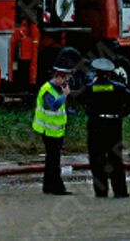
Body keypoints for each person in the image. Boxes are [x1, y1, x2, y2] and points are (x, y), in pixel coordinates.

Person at [82, 58, 130, 198]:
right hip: (113, 125)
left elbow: (80, 100)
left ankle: (101, 191)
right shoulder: (118, 87)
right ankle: (120, 191)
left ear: (97, 73)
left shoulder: (90, 88)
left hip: (96, 126)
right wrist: (122, 114)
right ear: (110, 74)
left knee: (97, 159)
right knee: (115, 159)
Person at [32, 63, 72, 195]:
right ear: (58, 77)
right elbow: (53, 106)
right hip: (48, 131)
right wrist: (65, 95)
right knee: (54, 161)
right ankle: (57, 188)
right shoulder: (47, 89)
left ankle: (48, 186)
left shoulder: (57, 88)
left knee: (51, 160)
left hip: (55, 130)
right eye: (65, 80)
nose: (66, 83)